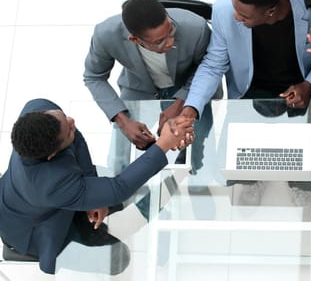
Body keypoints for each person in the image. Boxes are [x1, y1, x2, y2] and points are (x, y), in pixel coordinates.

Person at [176, 0, 311, 204]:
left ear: (270, 12)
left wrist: (309, 85)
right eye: (236, 7)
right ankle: (252, 180)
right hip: (251, 90)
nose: (236, 17)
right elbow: (213, 65)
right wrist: (191, 108)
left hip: (301, 87)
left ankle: (298, 182)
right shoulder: (223, 11)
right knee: (236, 160)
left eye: (244, 16)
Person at [0, 98, 193, 274]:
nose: (71, 121)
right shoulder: (48, 185)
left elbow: (77, 138)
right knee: (119, 259)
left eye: (65, 118)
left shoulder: (37, 108)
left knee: (117, 198)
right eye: (68, 129)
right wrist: (164, 144)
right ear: (51, 156)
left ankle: (166, 188)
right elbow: (119, 188)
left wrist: (92, 191)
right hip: (35, 229)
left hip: (37, 197)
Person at [83, 0, 221, 174]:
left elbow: (206, 69)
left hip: (188, 86)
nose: (170, 41)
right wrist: (123, 121)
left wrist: (180, 104)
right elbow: (94, 76)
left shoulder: (196, 27)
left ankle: (196, 187)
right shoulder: (105, 34)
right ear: (135, 40)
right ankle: (132, 200)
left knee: (200, 153)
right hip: (139, 89)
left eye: (170, 31)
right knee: (120, 161)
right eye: (160, 42)